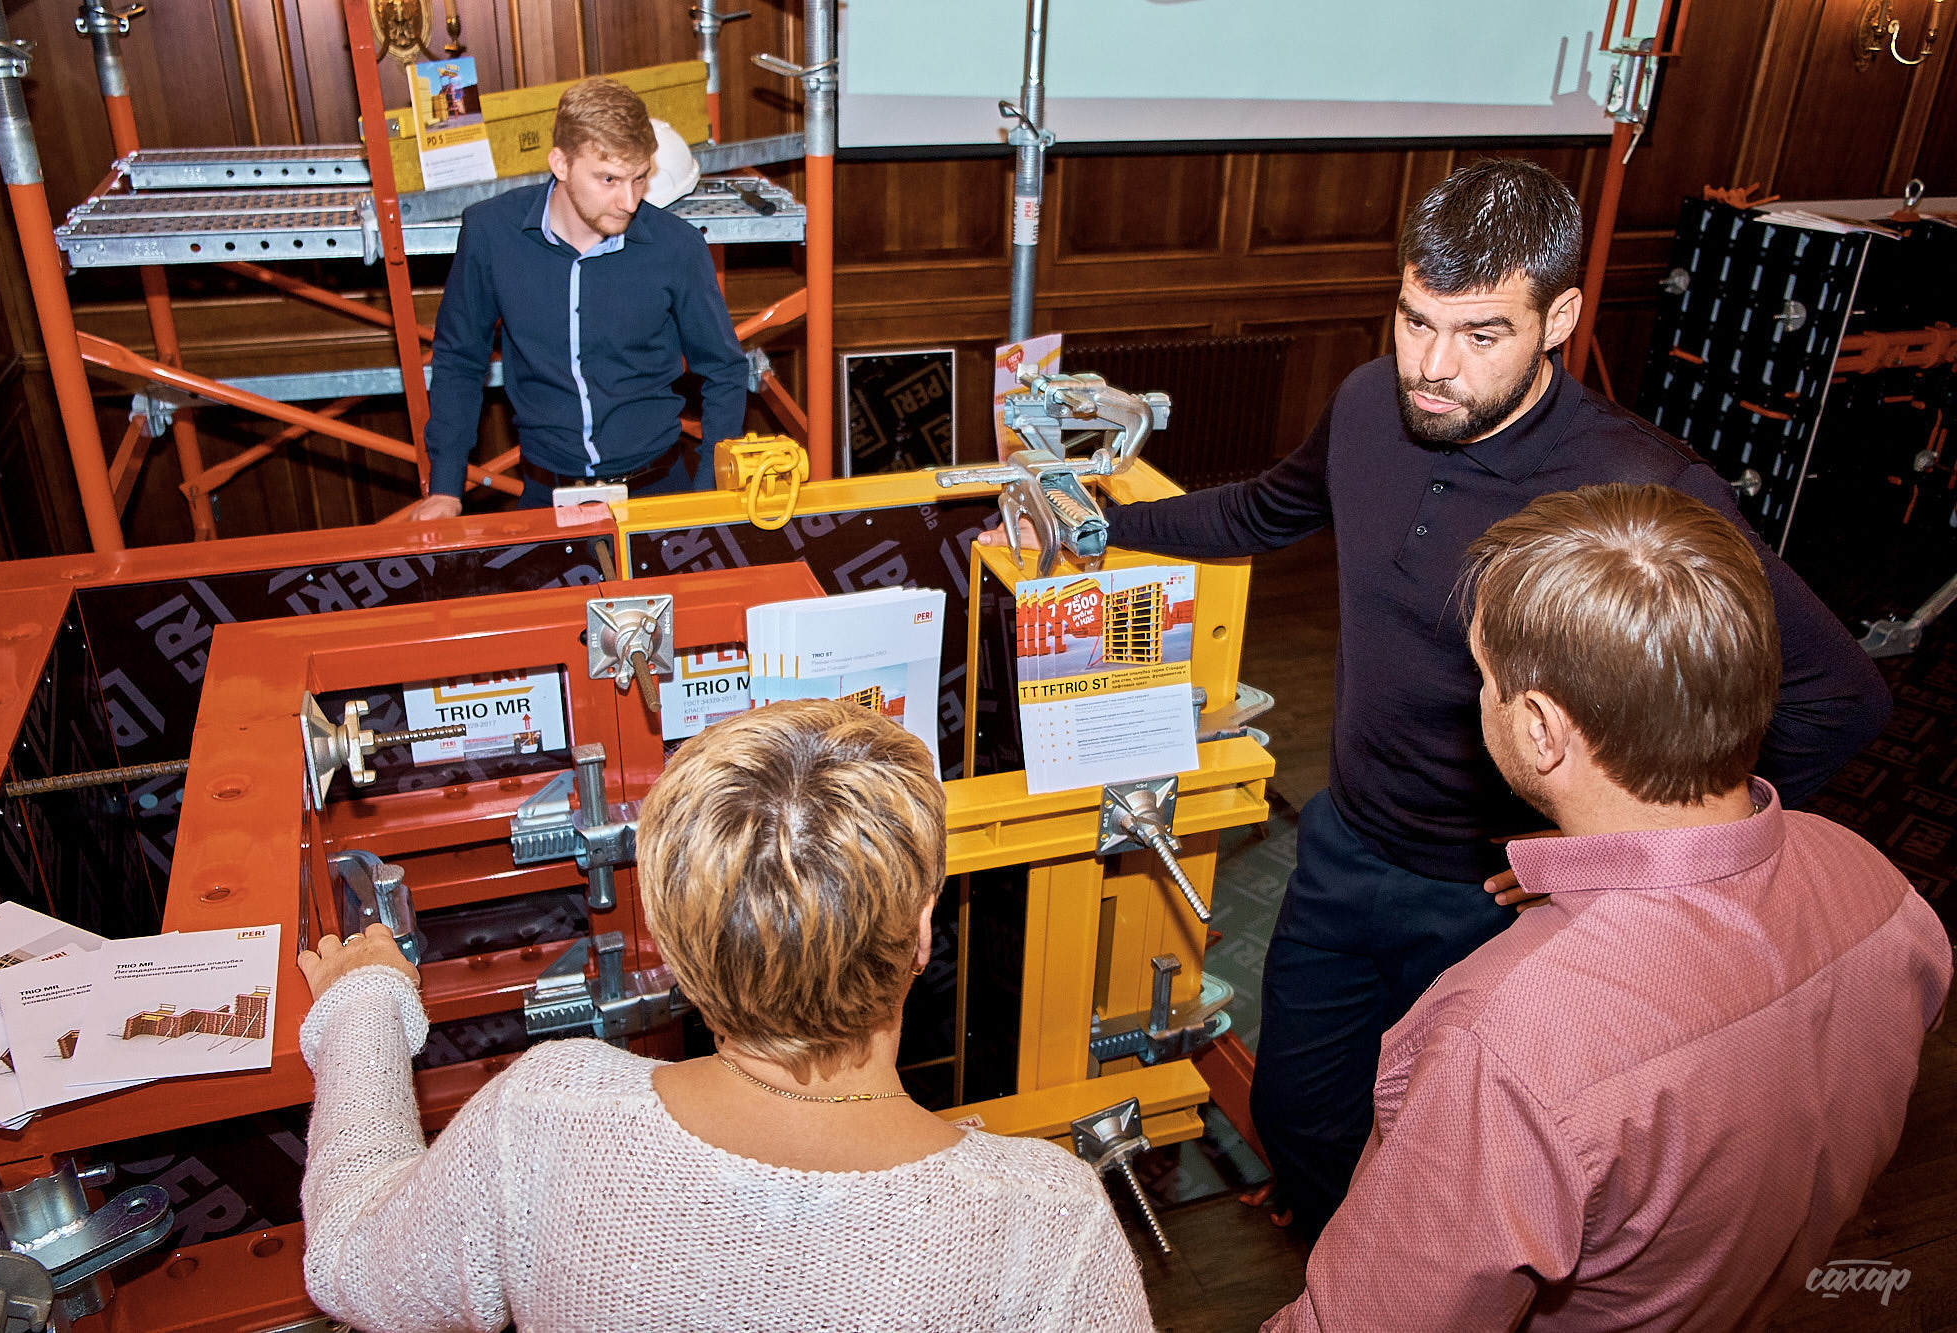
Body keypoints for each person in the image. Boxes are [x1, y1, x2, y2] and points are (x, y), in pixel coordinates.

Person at [986, 157, 1891, 1241]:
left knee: (1453, 1171)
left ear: (1557, 318)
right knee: (1295, 1111)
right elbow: (1268, 510)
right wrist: (1091, 523)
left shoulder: (1641, 490)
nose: (1431, 367)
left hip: (1499, 892)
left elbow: (1839, 697)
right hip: (1345, 840)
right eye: (1415, 321)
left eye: (1477, 336)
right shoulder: (1372, 400)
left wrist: (1623, 857)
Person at [1263, 483, 1950, 1331]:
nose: (1478, 701)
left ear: (1545, 729)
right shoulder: (1879, 886)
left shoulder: (1505, 1041)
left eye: (1485, 678)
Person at [296, 698, 1155, 1332]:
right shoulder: (1046, 1221)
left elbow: (348, 1261)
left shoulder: (547, 1116)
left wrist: (361, 1003)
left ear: (670, 942)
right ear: (923, 926)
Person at [408, 77, 748, 518]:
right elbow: (459, 359)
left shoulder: (676, 247)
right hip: (545, 497)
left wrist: (709, 494)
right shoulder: (492, 234)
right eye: (608, 179)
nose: (628, 201)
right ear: (561, 164)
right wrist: (446, 487)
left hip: (662, 491)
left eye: (639, 177)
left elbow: (724, 369)